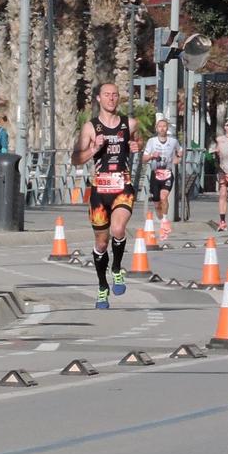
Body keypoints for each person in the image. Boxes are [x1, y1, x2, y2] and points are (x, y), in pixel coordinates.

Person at [73, 82, 137, 310]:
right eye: (107, 95)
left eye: (115, 95)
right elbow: (76, 159)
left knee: (118, 229)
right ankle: (102, 286)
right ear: (98, 99)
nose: (111, 98)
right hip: (100, 190)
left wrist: (135, 146)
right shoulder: (90, 128)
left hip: (122, 186)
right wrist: (93, 149)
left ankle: (117, 268)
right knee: (101, 243)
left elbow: (134, 145)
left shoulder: (130, 124)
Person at [141, 115, 181, 245]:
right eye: (160, 126)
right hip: (155, 174)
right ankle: (161, 219)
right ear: (156, 129)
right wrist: (152, 156)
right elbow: (144, 158)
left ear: (167, 128)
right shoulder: (152, 141)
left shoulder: (173, 141)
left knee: (164, 197)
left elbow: (180, 151)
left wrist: (177, 159)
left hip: (167, 173)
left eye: (164, 126)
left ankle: (165, 221)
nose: (162, 128)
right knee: (157, 203)